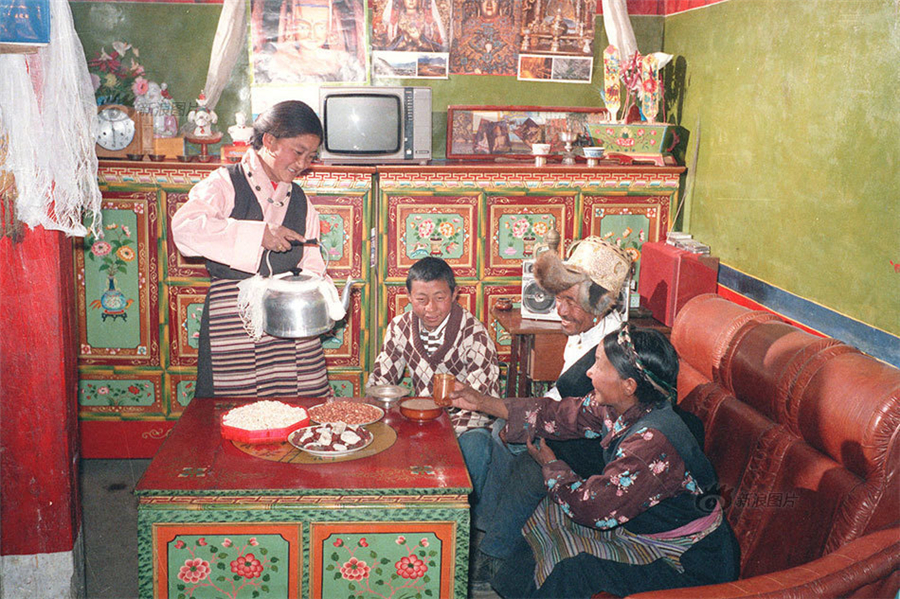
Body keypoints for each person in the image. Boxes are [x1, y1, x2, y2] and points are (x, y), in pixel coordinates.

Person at [452, 325, 741, 598]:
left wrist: (552, 467)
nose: (589, 372)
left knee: (573, 566)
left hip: (684, 559)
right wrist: (479, 401)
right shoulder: (619, 406)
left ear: (628, 385)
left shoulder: (652, 444)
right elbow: (554, 414)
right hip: (642, 530)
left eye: (599, 364)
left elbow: (593, 508)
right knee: (542, 516)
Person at [471, 235, 635, 566]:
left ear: (599, 303)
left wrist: (529, 431)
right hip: (576, 423)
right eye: (559, 299)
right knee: (501, 432)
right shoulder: (582, 333)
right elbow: (559, 398)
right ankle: (490, 534)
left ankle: (492, 549)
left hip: (600, 449)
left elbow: (586, 418)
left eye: (571, 302)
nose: (561, 310)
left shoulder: (612, 350)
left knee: (524, 460)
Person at [171, 100, 331, 399]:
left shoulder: (299, 200)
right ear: (269, 141)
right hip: (233, 317)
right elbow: (185, 229)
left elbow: (312, 264)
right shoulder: (224, 182)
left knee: (302, 402)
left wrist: (319, 297)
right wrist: (259, 235)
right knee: (237, 409)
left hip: (290, 319)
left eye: (310, 156)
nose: (302, 164)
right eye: (298, 152)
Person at [366, 256, 500, 502]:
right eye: (421, 299)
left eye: (440, 298)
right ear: (409, 296)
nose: (430, 309)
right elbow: (380, 383)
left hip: (465, 425)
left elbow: (484, 405)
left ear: (454, 294)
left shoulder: (475, 334)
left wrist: (440, 435)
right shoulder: (399, 327)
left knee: (476, 447)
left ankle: (467, 520)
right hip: (419, 419)